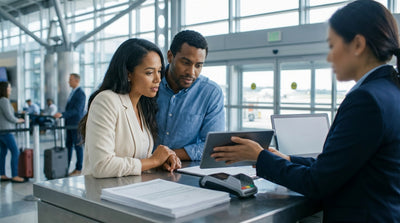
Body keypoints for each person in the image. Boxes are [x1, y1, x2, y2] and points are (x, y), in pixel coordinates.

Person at [211, 1, 400, 222]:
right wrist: (288, 158)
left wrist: (260, 157)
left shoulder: (366, 99)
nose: (329, 57)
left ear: (357, 44)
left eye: (332, 46)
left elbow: (317, 182)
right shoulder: (390, 91)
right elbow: (341, 165)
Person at [79, 38, 181, 178]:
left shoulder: (142, 105)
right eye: (149, 73)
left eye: (159, 71)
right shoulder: (106, 101)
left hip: (131, 190)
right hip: (102, 194)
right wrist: (153, 160)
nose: (158, 79)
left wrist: (159, 162)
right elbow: (102, 166)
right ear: (128, 74)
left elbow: (135, 156)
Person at [156, 30, 225, 161]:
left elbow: (213, 146)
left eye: (198, 65)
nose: (191, 72)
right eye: (186, 63)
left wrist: (166, 156)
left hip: (185, 168)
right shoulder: (151, 84)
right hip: (143, 166)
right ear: (170, 56)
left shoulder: (211, 93)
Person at [54, 73, 86, 176]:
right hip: (69, 124)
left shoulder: (81, 94)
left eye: (70, 79)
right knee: (68, 146)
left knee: (77, 146)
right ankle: (65, 167)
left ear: (77, 81)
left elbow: (77, 110)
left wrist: (62, 115)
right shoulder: (73, 93)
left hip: (75, 124)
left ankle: (79, 168)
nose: (69, 81)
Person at [0, 82, 26, 183]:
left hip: (2, 130)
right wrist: (18, 120)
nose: (10, 89)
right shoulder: (4, 100)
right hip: (6, 130)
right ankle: (15, 175)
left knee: (3, 152)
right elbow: (9, 116)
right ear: (5, 89)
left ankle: (2, 174)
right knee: (15, 151)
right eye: (9, 87)